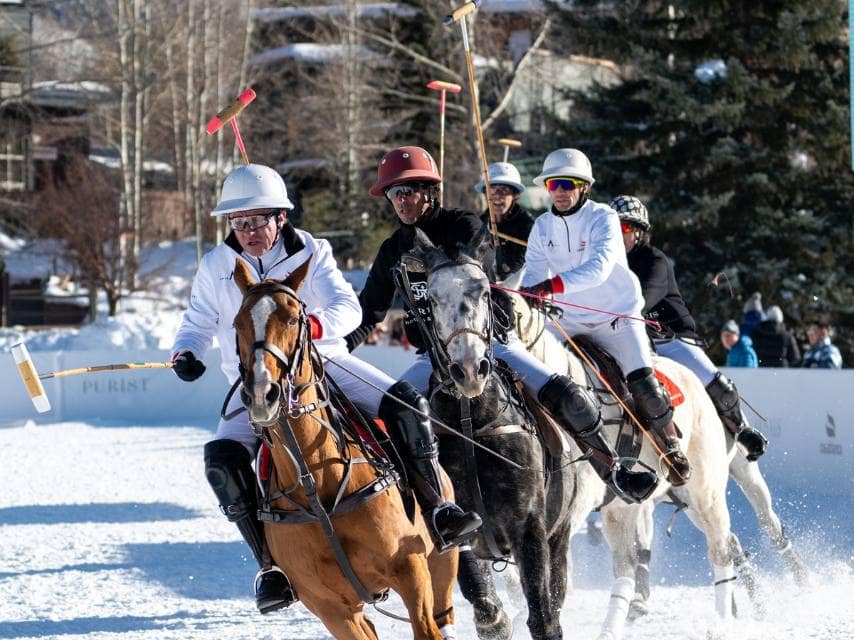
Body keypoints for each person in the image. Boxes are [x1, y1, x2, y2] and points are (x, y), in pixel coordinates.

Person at [171, 163, 481, 614]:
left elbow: (347, 307)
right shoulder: (217, 265)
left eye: (258, 220)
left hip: (325, 364)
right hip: (257, 380)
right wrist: (187, 351)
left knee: (406, 403)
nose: (248, 231)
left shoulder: (311, 251)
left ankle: (438, 510)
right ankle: (269, 567)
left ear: (280, 217)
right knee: (220, 459)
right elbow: (197, 322)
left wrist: (312, 326)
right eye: (239, 222)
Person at [346, 145, 659, 504]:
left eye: (407, 191)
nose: (400, 201)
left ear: (429, 191)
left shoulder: (463, 226)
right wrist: (334, 351)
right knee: (391, 409)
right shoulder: (392, 250)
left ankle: (613, 469)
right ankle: (412, 505)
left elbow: (480, 263)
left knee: (564, 391)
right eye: (393, 193)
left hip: (491, 344)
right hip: (433, 357)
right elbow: (369, 312)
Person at [519, 150, 691, 486]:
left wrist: (550, 287)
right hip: (567, 321)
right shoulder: (542, 226)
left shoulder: (604, 218)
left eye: (569, 184)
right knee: (535, 378)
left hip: (616, 318)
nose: (560, 190)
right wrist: (526, 295)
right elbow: (532, 275)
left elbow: (598, 269)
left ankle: (670, 444)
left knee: (645, 386)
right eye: (554, 184)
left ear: (584, 187)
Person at [612, 195, 767, 460]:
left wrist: (626, 311)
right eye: (612, 229)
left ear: (640, 232)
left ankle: (742, 430)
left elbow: (646, 295)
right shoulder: (611, 262)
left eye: (624, 228)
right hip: (634, 336)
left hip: (672, 339)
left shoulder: (654, 260)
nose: (617, 234)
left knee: (714, 381)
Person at [474, 162, 536, 280]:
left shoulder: (528, 226)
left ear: (514, 195)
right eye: (492, 189)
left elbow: (523, 265)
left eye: (504, 189)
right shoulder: (479, 224)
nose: (497, 195)